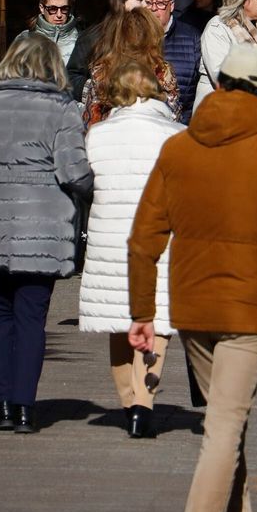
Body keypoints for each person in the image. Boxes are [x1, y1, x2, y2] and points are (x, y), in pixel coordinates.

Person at [127, 44, 257, 512]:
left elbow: (144, 238)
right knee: (224, 428)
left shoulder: (179, 147)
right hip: (250, 306)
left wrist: (142, 310)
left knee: (227, 421)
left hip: (193, 304)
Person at [0, 33, 94, 434]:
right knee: (31, 318)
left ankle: (1, 403)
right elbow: (73, 172)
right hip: (43, 229)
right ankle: (23, 408)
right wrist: (92, 190)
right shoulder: (62, 109)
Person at [78, 63, 185, 440]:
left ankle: (127, 403)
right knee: (157, 323)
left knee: (118, 321)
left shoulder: (98, 135)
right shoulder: (176, 135)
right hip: (160, 242)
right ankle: (144, 402)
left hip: (110, 240)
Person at [83, 8, 179, 126]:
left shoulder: (101, 70)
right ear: (152, 35)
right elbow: (173, 116)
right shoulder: (162, 70)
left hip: (109, 136)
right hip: (152, 134)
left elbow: (91, 118)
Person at [68, 0, 145, 101]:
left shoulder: (147, 35)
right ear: (121, 1)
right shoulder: (93, 37)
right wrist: (97, 91)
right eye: (141, 0)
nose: (146, 6)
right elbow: (71, 77)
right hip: (103, 113)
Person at [144, 0, 202, 122]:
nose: (153, 8)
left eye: (160, 3)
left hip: (181, 126)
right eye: (149, 3)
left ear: (171, 6)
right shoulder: (131, 38)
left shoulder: (192, 37)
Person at [17, 0, 79, 66]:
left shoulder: (80, 40)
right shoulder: (25, 40)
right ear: (42, 8)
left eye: (64, 8)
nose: (59, 15)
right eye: (53, 9)